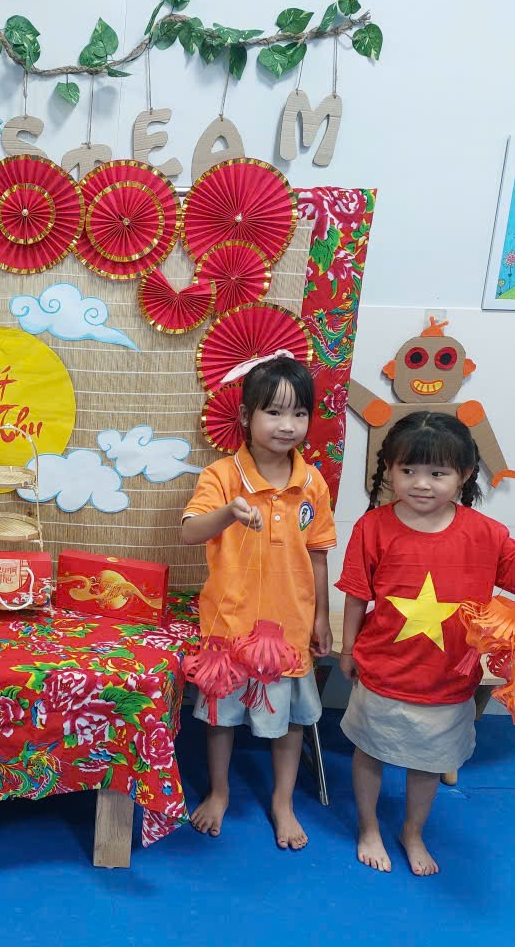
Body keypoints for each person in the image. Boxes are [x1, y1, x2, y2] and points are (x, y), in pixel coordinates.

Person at [336, 411, 515, 876]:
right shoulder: (372, 527)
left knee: (429, 763)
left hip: (449, 679)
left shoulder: (486, 533)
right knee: (369, 752)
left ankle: (412, 832)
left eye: (437, 473)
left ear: (465, 474)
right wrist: (348, 649)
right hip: (383, 671)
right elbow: (356, 595)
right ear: (389, 469)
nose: (421, 484)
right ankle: (368, 827)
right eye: (408, 470)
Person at [180, 354, 335, 849]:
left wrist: (322, 618)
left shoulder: (312, 483)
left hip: (290, 626)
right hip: (230, 623)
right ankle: (220, 792)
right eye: (274, 412)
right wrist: (229, 512)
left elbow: (318, 554)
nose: (288, 425)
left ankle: (283, 802)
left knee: (290, 723)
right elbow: (190, 532)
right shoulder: (222, 475)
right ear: (246, 416)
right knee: (221, 719)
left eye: (299, 413)